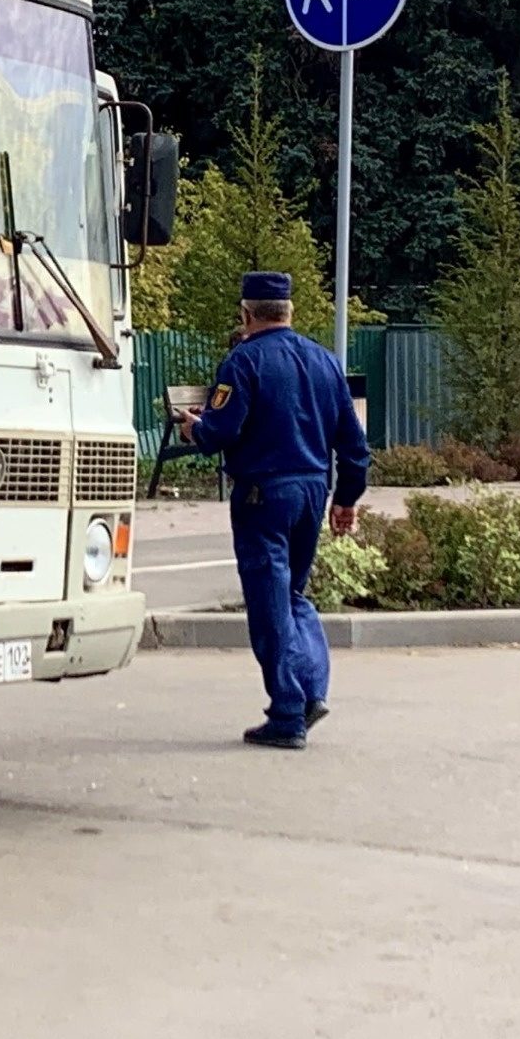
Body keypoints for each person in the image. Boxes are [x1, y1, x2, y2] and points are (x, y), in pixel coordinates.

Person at [176, 271, 372, 748]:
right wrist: (346, 498)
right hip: (312, 492)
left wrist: (193, 430)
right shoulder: (326, 362)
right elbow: (354, 444)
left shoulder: (243, 362)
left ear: (245, 315)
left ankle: (289, 712)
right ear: (290, 312)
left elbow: (221, 431)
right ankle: (312, 691)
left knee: (269, 603)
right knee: (295, 596)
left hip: (263, 495)